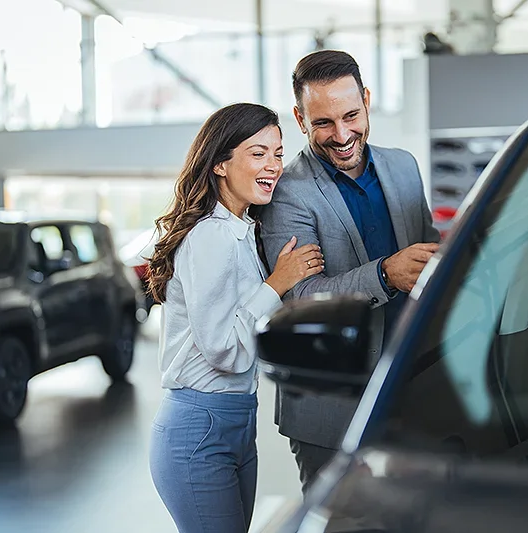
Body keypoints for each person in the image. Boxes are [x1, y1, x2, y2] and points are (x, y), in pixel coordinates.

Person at [258, 50, 441, 493]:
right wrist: (385, 275)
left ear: (368, 101)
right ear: (300, 120)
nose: (341, 135)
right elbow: (300, 298)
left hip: (410, 389)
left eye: (351, 115)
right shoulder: (285, 193)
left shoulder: (404, 166)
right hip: (330, 405)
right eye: (323, 122)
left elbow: (429, 248)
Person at [146, 102, 325, 533]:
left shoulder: (243, 230)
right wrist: (277, 283)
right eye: (257, 153)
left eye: (278, 153)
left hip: (237, 419)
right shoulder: (211, 235)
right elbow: (224, 351)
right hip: (199, 427)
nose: (273, 165)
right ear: (221, 164)